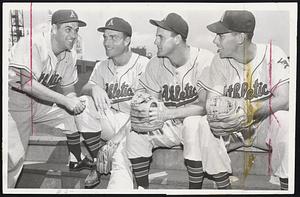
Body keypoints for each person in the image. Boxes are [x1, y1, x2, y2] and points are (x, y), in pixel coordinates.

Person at [126, 13, 233, 189]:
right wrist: (144, 103)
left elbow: (204, 106)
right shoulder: (156, 64)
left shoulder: (204, 60)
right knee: (136, 134)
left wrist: (167, 113)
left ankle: (194, 189)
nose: (155, 42)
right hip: (169, 124)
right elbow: (147, 98)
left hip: (198, 126)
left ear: (177, 39)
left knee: (192, 124)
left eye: (160, 37)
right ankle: (142, 189)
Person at [198, 10, 289, 190]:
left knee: (286, 121)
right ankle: (224, 188)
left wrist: (248, 110)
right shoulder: (219, 60)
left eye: (220, 35)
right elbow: (212, 101)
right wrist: (220, 114)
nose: (215, 41)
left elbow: (284, 99)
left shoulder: (272, 53)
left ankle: (288, 188)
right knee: (204, 124)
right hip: (233, 129)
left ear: (240, 37)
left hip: (264, 127)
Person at [7, 9, 95, 188]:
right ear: (53, 28)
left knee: (77, 109)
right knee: (13, 160)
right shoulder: (33, 43)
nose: (73, 35)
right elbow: (27, 84)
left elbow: (69, 89)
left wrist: (73, 102)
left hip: (39, 101)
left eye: (76, 30)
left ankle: (76, 158)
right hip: (12, 101)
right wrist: (66, 101)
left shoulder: (68, 54)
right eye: (68, 29)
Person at [74, 17, 149, 189]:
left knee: (119, 158)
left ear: (127, 40)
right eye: (105, 37)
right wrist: (93, 88)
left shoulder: (143, 65)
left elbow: (141, 112)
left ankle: (107, 165)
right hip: (110, 119)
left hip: (135, 124)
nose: (107, 42)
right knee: (83, 103)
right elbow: (85, 88)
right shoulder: (101, 65)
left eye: (113, 37)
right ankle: (96, 161)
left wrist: (114, 141)